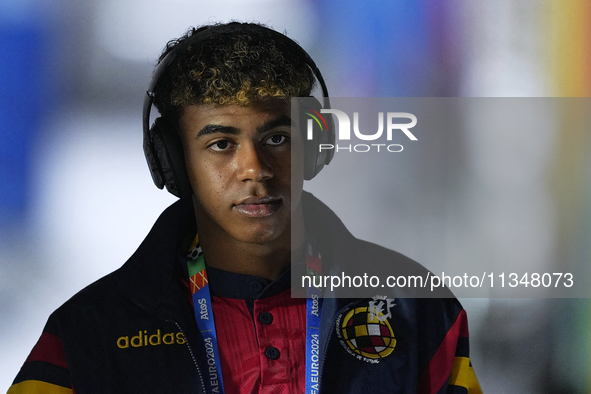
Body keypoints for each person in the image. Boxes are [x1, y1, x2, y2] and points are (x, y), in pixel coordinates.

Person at [8, 22, 482, 393]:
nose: (254, 169)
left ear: (316, 144)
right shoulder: (88, 336)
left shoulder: (418, 310)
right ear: (172, 161)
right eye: (220, 144)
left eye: (276, 137)